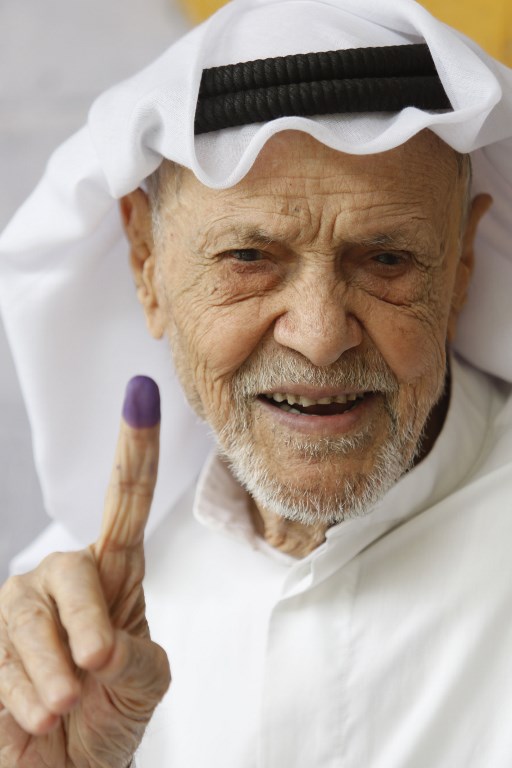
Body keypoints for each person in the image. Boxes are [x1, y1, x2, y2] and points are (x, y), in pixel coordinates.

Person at [0, 0, 511, 765]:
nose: (319, 334)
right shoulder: (66, 631)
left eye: (386, 260)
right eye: (248, 257)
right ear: (147, 261)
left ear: (462, 260)